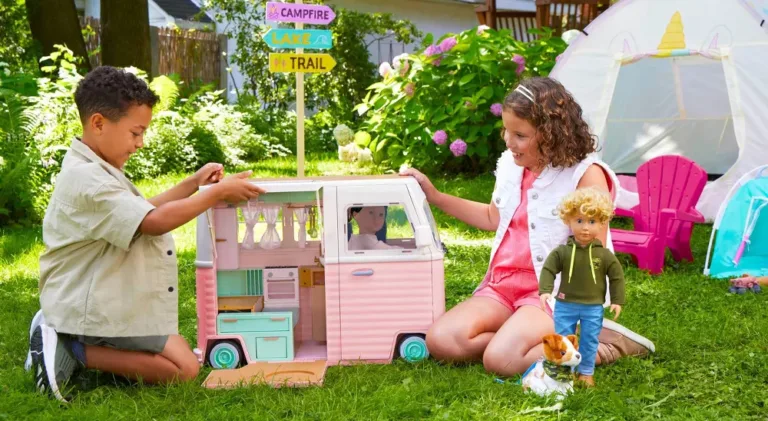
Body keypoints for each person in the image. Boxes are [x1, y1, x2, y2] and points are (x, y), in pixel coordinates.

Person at [27, 66, 264, 403]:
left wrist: (192, 185)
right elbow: (152, 221)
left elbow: (141, 210)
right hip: (89, 299)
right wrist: (214, 195)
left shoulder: (94, 169)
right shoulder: (88, 180)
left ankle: (80, 341)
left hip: (106, 294)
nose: (140, 143)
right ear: (98, 123)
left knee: (182, 358)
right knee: (184, 370)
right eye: (135, 132)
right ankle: (71, 346)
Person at [400, 77, 655, 377]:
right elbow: (492, 217)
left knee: (502, 361)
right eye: (506, 131)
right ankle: (521, 338)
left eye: (519, 134)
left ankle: (599, 344)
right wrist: (436, 197)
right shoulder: (512, 164)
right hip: (503, 285)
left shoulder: (585, 175)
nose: (509, 142)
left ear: (551, 135)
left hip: (552, 292)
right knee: (442, 340)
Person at [539, 187, 626, 387]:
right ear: (568, 221)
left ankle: (586, 372)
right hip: (565, 304)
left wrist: (617, 300)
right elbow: (548, 270)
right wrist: (545, 290)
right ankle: (564, 372)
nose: (585, 227)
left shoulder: (604, 255)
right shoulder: (562, 252)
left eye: (592, 221)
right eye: (579, 221)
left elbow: (616, 278)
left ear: (602, 223)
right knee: (563, 340)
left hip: (593, 306)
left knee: (589, 340)